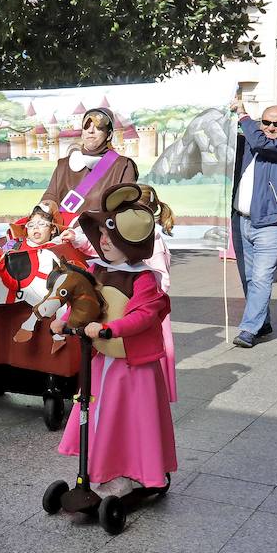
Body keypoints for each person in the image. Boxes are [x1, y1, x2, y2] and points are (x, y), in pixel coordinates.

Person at [50, 184, 176, 498]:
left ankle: (129, 473)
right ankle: (100, 467)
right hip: (102, 359)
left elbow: (146, 315)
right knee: (96, 415)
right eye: (102, 235)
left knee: (129, 419)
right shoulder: (97, 269)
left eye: (111, 238)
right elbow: (84, 301)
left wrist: (112, 329)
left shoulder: (143, 278)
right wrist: (65, 322)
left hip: (131, 363)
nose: (103, 241)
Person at [228, 101, 277, 349]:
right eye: (266, 122)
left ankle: (249, 329)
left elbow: (262, 143)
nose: (270, 127)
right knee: (249, 278)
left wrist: (243, 115)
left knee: (260, 278)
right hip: (240, 220)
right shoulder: (251, 139)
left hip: (270, 223)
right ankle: (262, 321)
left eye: (276, 124)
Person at [40, 107, 138, 219]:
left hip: (98, 233)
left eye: (98, 127)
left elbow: (124, 211)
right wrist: (44, 208)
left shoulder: (123, 166)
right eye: (86, 127)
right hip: (62, 233)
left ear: (109, 134)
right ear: (82, 133)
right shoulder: (63, 165)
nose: (91, 131)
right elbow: (50, 197)